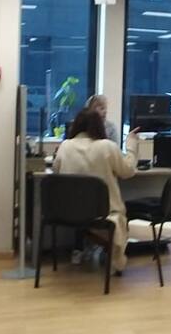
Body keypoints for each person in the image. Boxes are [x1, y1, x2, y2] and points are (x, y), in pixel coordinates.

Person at [52, 107, 140, 274]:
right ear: (99, 126)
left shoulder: (65, 146)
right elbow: (128, 171)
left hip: (69, 212)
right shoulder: (107, 147)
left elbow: (57, 172)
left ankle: (88, 248)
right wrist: (131, 147)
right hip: (103, 213)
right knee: (118, 214)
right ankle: (112, 256)